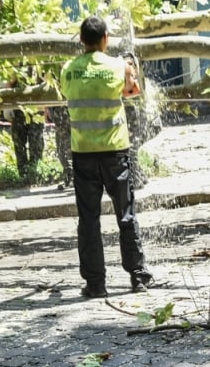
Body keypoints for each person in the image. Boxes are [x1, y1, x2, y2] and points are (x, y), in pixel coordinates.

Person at [60, 16, 153, 298]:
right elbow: (133, 91)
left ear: (81, 41)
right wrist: (132, 69)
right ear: (106, 39)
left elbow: (69, 94)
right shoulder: (117, 66)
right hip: (115, 152)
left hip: (83, 153)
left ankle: (96, 283)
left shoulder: (68, 70)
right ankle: (137, 276)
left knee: (89, 219)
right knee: (125, 214)